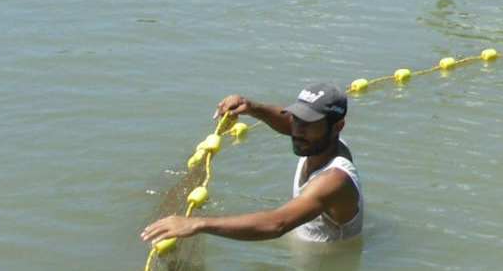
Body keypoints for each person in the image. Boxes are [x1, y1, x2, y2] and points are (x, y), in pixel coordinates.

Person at [141, 82, 364, 247]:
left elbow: (277, 224)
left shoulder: (335, 180)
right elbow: (287, 122)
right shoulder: (314, 140)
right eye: (297, 118)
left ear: (337, 127)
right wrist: (250, 107)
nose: (297, 130)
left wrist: (197, 224)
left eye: (309, 123)